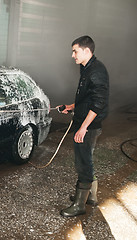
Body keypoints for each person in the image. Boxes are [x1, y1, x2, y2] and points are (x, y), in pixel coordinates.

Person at [59, 35, 109, 217]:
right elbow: (86, 98)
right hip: (85, 122)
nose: (73, 55)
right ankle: (91, 197)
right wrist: (71, 107)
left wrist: (83, 128)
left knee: (83, 163)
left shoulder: (97, 71)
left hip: (88, 126)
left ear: (87, 51)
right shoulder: (86, 68)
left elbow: (98, 103)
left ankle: (80, 205)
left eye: (75, 51)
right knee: (87, 159)